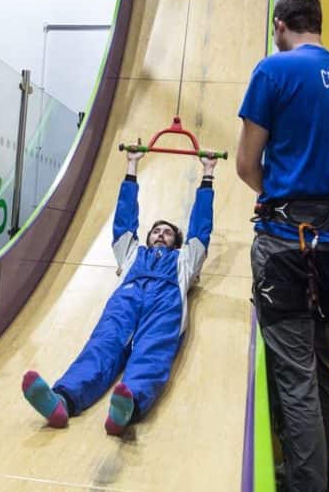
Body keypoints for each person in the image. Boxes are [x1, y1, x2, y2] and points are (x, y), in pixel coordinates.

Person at [236, 0, 329, 492]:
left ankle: (306, 485)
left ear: (279, 24)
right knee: (322, 364)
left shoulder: (274, 69)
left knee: (294, 377)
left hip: (288, 239)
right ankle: (319, 476)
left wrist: (278, 198)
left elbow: (248, 165)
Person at [22, 149, 216, 435]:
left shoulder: (185, 261)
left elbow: (201, 227)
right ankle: (62, 400)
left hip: (164, 305)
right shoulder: (130, 254)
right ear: (147, 238)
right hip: (126, 299)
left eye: (167, 232)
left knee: (151, 353)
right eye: (156, 231)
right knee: (103, 345)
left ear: (177, 242)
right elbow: (125, 221)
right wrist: (131, 167)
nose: (160, 233)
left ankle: (127, 409)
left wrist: (208, 174)